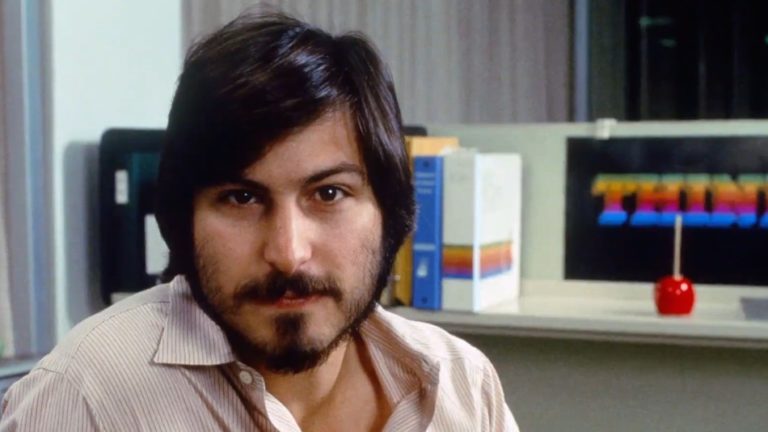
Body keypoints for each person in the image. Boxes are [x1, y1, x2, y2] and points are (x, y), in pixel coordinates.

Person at [0, 12, 518, 431]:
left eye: (329, 193)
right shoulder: (84, 398)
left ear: (390, 211)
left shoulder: (459, 385)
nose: (288, 253)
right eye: (242, 198)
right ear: (184, 219)